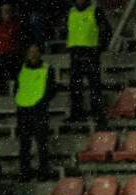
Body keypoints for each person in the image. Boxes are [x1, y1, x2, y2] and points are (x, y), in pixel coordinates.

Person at [64, 0, 109, 128]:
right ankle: (77, 114)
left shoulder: (95, 11)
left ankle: (98, 114)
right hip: (75, 54)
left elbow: (106, 31)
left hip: (90, 53)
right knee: (75, 86)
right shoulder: (70, 11)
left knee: (94, 86)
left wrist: (99, 47)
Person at [14, 43, 54, 181]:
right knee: (24, 145)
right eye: (31, 51)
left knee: (41, 144)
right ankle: (25, 173)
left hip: (39, 111)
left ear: (40, 54)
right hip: (23, 111)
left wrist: (41, 102)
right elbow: (17, 88)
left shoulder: (47, 68)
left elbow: (51, 89)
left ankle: (43, 173)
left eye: (36, 51)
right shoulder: (22, 68)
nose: (33, 54)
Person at [0, 4, 26, 96]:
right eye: (4, 11)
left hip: (11, 56)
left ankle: (13, 90)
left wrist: (0, 42)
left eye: (8, 10)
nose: (6, 13)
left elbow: (14, 43)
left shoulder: (17, 26)